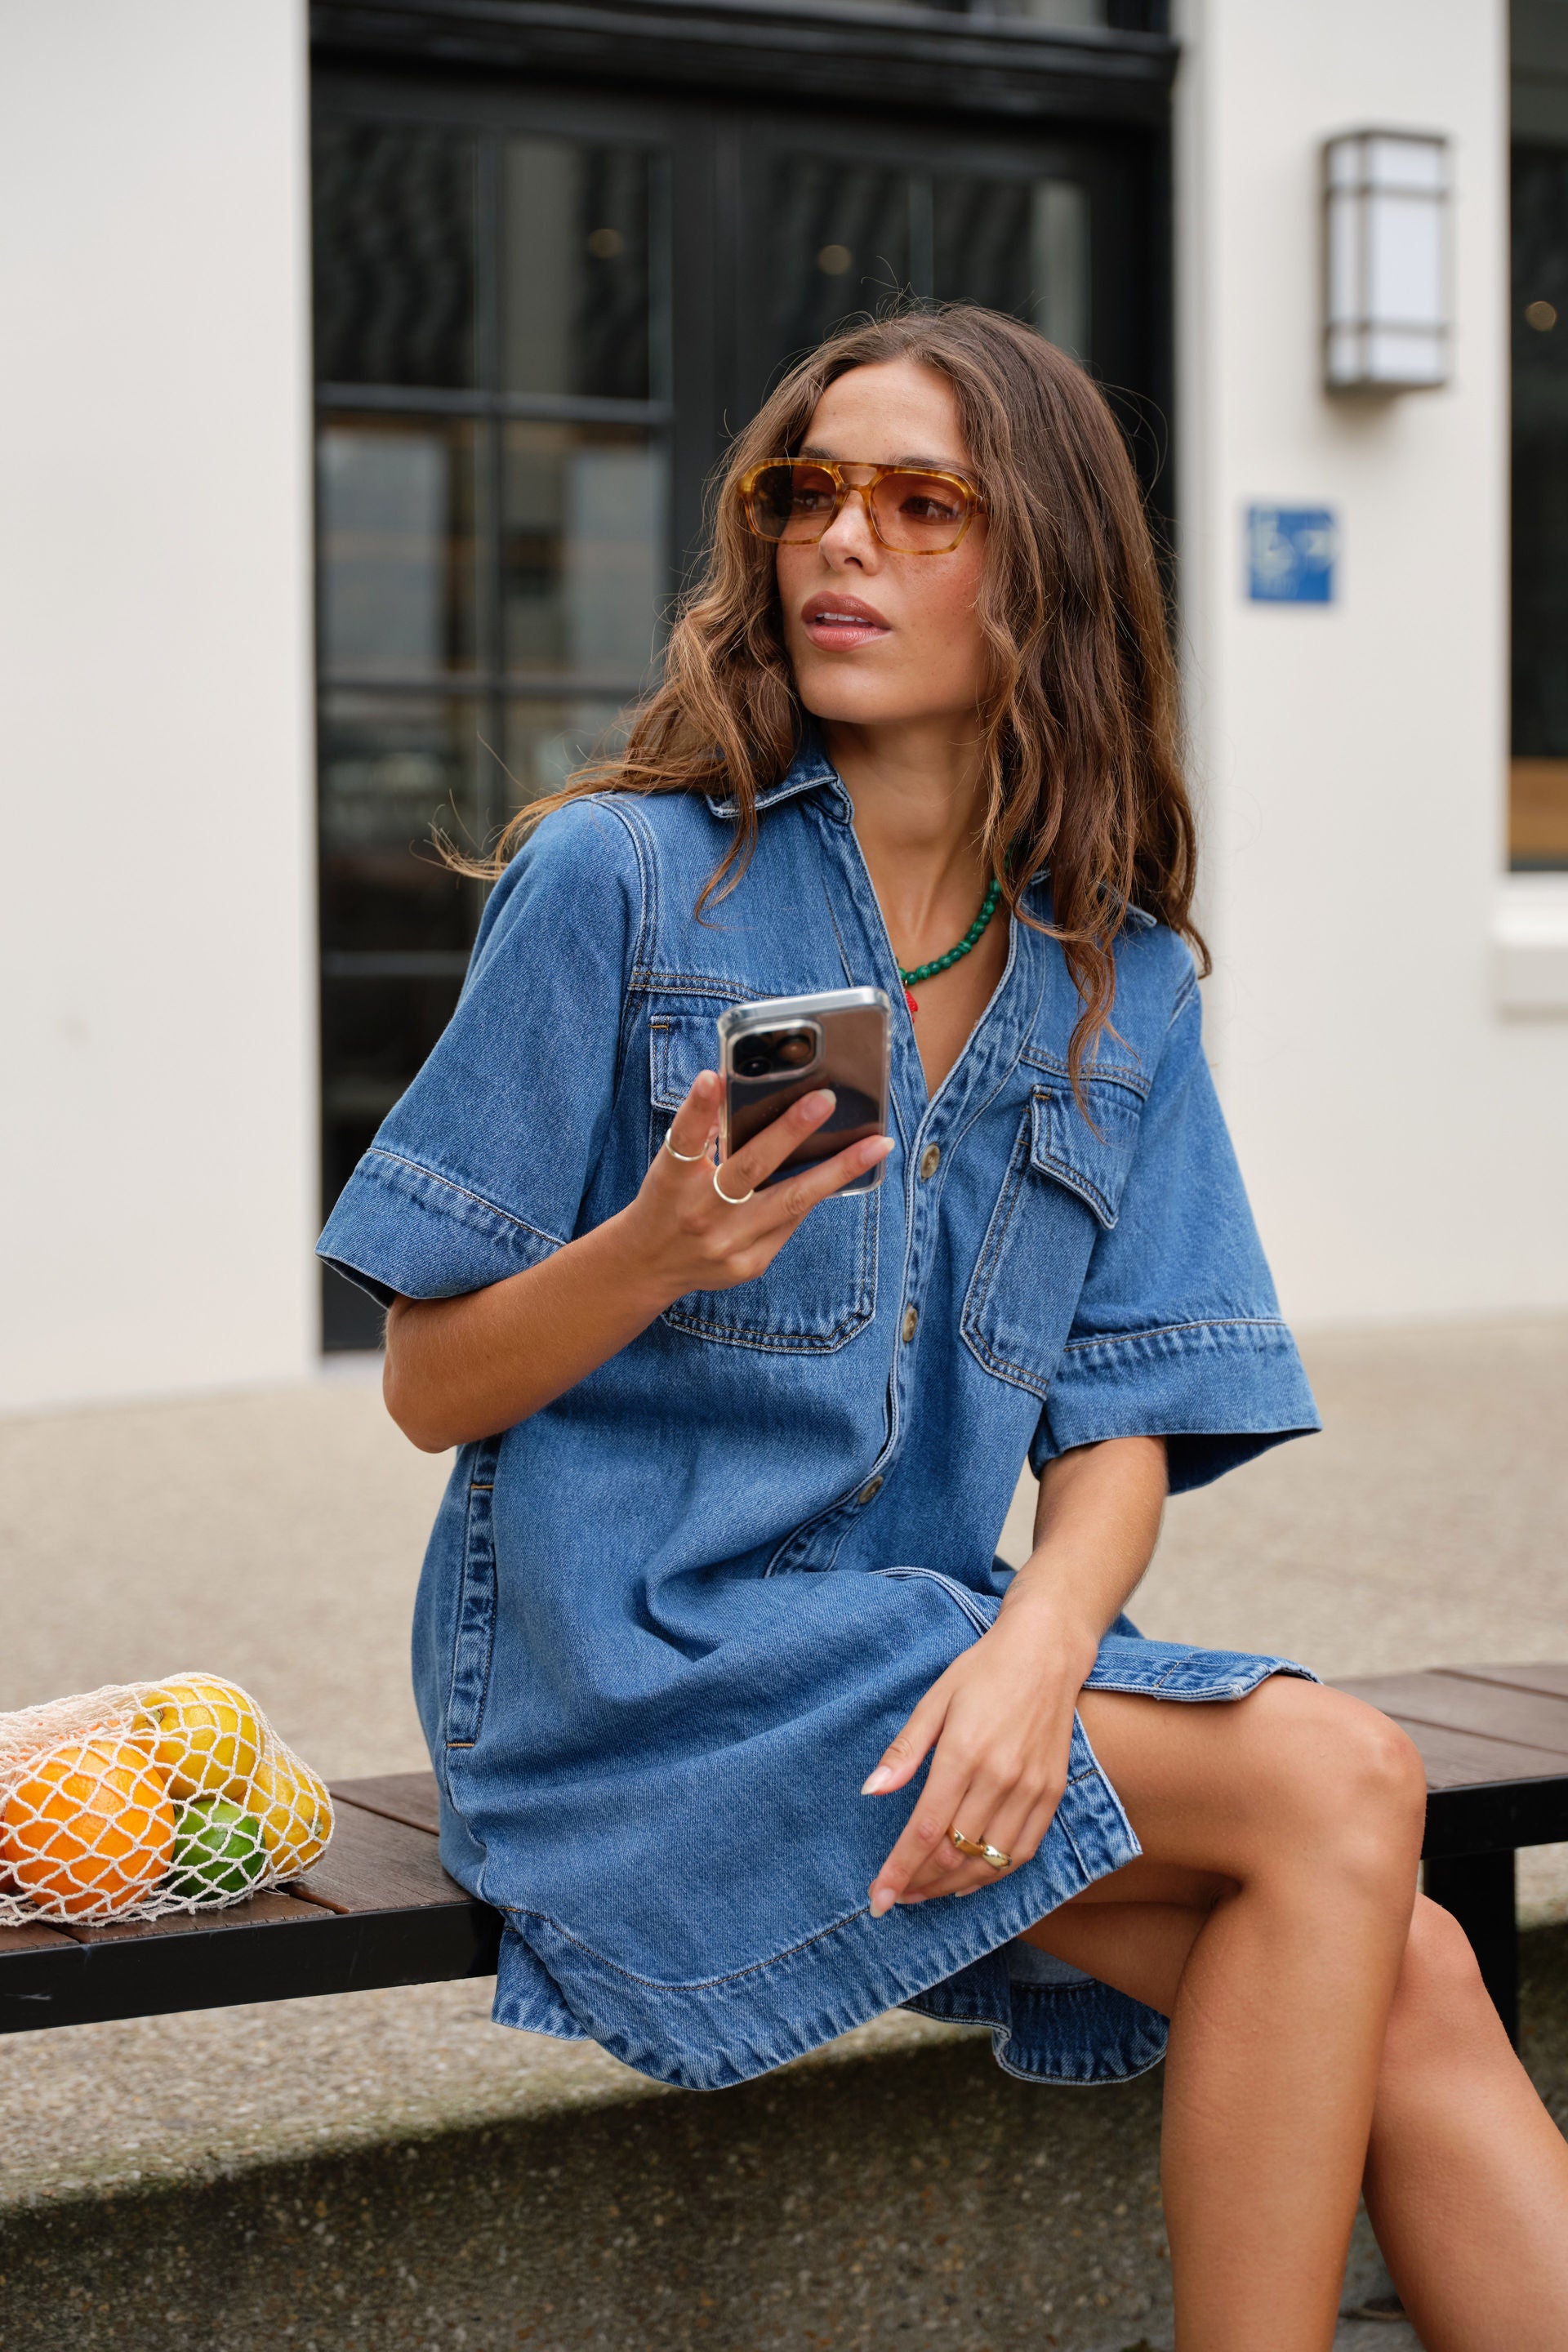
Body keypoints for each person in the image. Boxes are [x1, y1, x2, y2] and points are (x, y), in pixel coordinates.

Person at [319, 305, 1568, 2350]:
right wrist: (654, 1252)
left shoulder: (1116, 976)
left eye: (924, 506)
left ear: (1045, 573)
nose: (842, 541)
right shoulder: (620, 880)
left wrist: (1039, 1649)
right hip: (628, 1694)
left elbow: (1125, 1420)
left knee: (1411, 1964)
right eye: (810, 493)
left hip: (921, 1663)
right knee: (1344, 1782)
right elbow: (428, 1385)